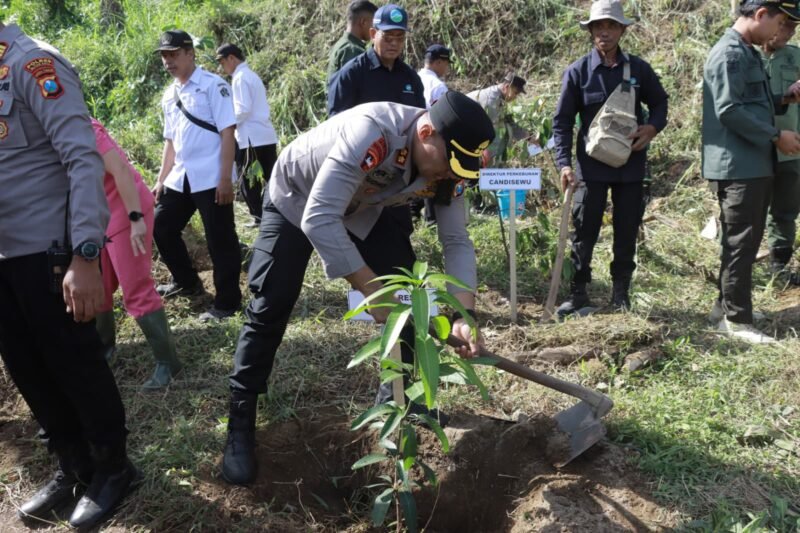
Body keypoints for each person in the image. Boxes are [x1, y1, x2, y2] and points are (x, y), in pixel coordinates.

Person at [220, 92, 495, 485]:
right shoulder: (373, 133)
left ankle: (397, 402)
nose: (450, 176)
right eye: (449, 166)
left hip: (364, 208)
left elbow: (457, 241)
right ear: (426, 131)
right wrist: (372, 292)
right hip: (297, 200)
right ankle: (240, 424)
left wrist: (461, 316)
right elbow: (318, 218)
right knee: (271, 305)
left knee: (408, 293)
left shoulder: (448, 167)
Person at [0, 20, 139, 529]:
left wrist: (85, 255)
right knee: (26, 366)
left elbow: (82, 160)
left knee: (73, 362)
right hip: (4, 257)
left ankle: (113, 467)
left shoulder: (34, 64)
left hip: (49, 251)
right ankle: (74, 464)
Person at [552, 0, 669, 317]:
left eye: (611, 26)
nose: (605, 32)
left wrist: (652, 128)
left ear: (622, 30)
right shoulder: (578, 73)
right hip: (590, 170)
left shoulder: (639, 70)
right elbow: (561, 123)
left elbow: (660, 104)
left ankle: (621, 295)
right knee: (584, 231)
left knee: (626, 230)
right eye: (599, 26)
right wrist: (564, 164)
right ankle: (579, 293)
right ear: (590, 31)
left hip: (630, 168)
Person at [703, 0, 800, 343]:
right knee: (741, 241)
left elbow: (750, 102)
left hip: (753, 163)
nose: (780, 33)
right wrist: (776, 135)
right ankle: (736, 320)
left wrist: (784, 98)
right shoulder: (730, 54)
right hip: (738, 164)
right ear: (761, 15)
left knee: (744, 239)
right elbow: (729, 110)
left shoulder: (747, 51)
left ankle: (724, 307)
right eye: (780, 23)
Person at [152, 30, 242, 321]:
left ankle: (227, 303)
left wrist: (226, 178)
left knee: (221, 240)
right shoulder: (170, 94)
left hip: (212, 176)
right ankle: (187, 282)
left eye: (174, 54)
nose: (168, 61)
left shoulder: (212, 86)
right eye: (165, 55)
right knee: (161, 225)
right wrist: (161, 178)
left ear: (190, 53)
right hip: (181, 177)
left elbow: (227, 132)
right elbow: (170, 142)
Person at [91, 119, 183, 390]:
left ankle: (169, 363)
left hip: (125, 207)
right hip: (99, 214)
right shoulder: (48, 132)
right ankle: (105, 350)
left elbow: (119, 169)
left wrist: (135, 219)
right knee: (100, 285)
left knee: (135, 289)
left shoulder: (81, 126)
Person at [216, 43, 279, 227]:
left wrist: (225, 123)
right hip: (265, 135)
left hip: (251, 139)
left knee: (248, 182)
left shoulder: (240, 78)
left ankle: (259, 218)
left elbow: (242, 109)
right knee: (272, 178)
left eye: (222, 62)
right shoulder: (250, 75)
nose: (222, 67)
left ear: (232, 58)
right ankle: (281, 212)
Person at [327, 3, 425, 115]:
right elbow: (338, 125)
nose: (394, 43)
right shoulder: (351, 75)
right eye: (387, 37)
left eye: (400, 38)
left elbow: (419, 121)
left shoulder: (411, 78)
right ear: (373, 34)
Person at [760, 19, 800, 283]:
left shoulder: (796, 57)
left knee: (786, 208)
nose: (790, 32)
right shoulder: (745, 56)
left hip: (791, 148)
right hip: (752, 148)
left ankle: (779, 267)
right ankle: (732, 267)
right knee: (744, 208)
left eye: (794, 27)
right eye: (785, 25)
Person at [467, 71, 528, 167]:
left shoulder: (499, 97)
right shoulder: (492, 101)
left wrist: (526, 135)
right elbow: (491, 135)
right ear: (507, 87)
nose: (515, 97)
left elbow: (507, 120)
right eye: (515, 93)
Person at [327, 0, 378, 83]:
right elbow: (353, 86)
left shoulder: (343, 44)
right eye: (373, 24)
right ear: (363, 22)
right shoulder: (351, 49)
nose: (375, 29)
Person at [418, 44, 451, 108]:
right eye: (446, 64)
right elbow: (444, 114)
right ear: (439, 62)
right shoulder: (438, 86)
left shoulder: (414, 78)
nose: (447, 68)